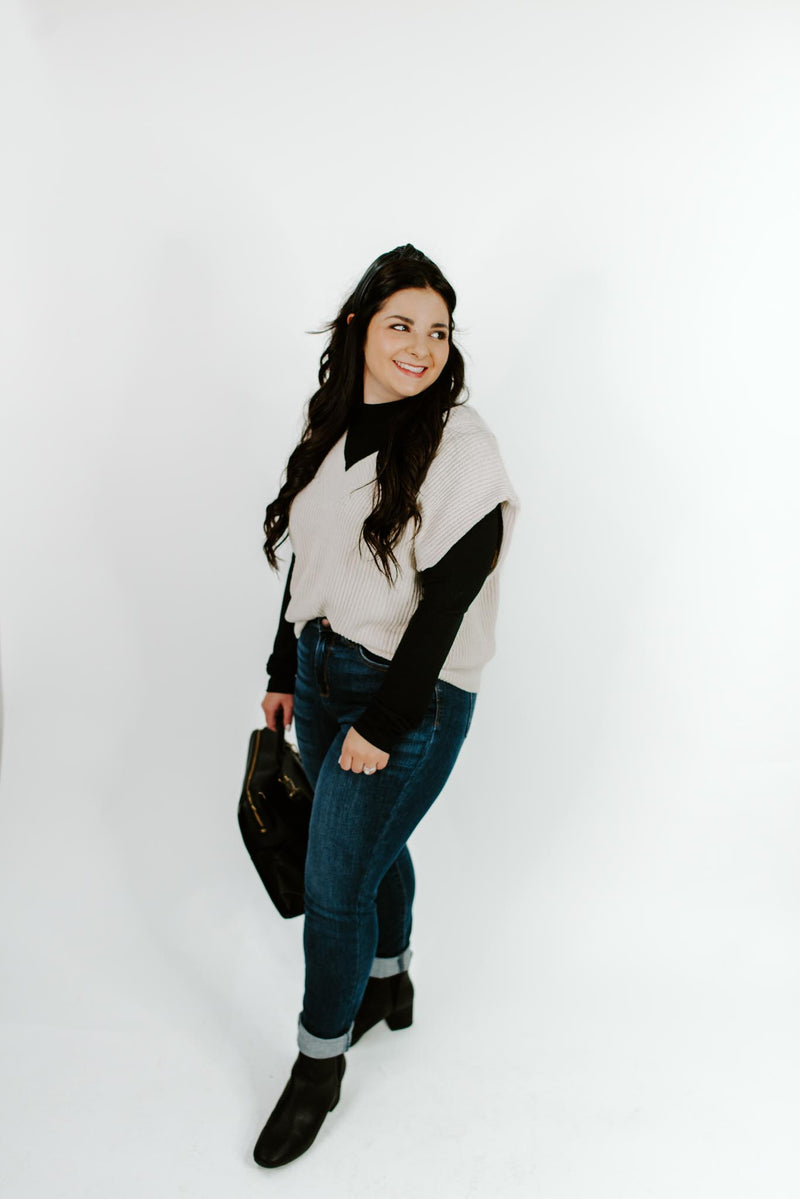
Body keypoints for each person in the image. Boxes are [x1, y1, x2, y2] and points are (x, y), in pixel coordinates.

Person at [254, 244, 520, 1168]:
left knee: (335, 887)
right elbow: (311, 552)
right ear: (359, 326)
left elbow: (448, 602)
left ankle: (316, 1067)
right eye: (401, 324)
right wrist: (283, 664)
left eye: (438, 331)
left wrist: (385, 722)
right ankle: (389, 983)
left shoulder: (461, 445)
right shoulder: (329, 422)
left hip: (408, 693)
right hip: (323, 671)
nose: (421, 346)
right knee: (372, 845)